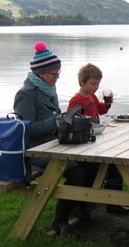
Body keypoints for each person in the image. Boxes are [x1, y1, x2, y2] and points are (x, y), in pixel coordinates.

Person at [13, 41, 85, 236]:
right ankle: (59, 221)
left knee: (89, 163)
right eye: (55, 74)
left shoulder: (48, 88)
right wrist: (56, 122)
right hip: (34, 150)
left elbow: (56, 117)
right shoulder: (25, 95)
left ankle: (83, 209)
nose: (57, 78)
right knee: (76, 172)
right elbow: (25, 130)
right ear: (41, 73)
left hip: (53, 143)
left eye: (58, 74)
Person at [67, 63, 129, 217]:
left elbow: (100, 109)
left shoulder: (91, 95)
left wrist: (107, 104)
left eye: (98, 83)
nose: (96, 87)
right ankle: (83, 205)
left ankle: (112, 201)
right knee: (92, 171)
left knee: (116, 161)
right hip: (84, 143)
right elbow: (71, 122)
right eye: (93, 83)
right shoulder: (77, 100)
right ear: (82, 82)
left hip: (96, 138)